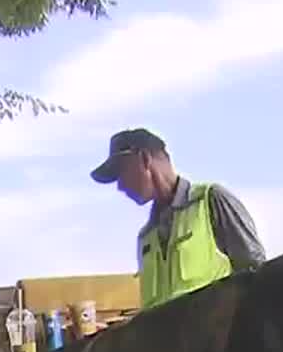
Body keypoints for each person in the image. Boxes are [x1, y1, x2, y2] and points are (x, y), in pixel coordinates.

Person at [89, 129, 265, 311]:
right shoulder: (146, 237)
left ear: (144, 159)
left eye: (121, 173)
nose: (120, 186)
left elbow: (256, 275)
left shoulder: (210, 200)